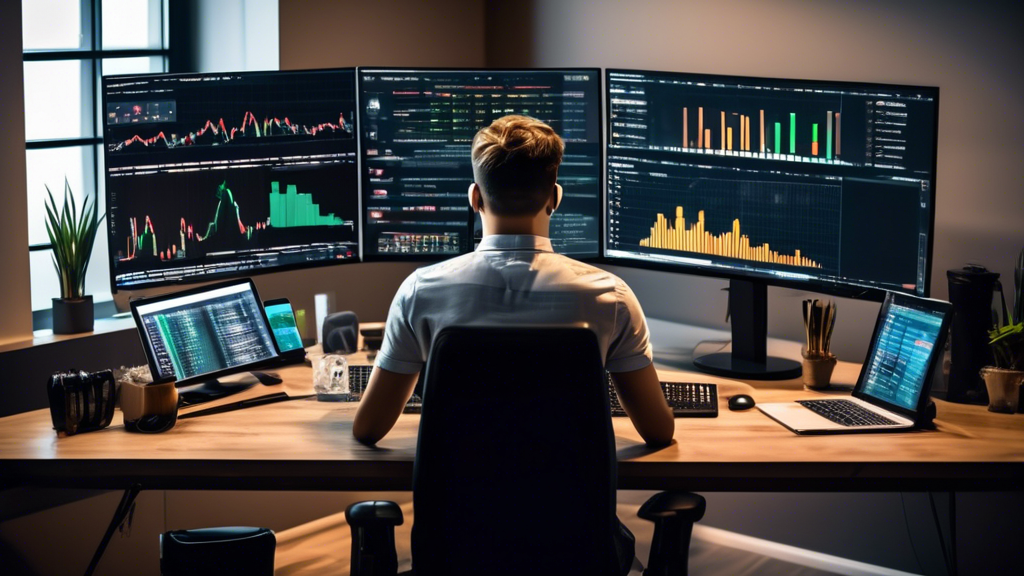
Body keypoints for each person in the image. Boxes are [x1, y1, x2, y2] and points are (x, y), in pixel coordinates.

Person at [352, 114, 672, 574]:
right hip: (575, 558)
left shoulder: (421, 291)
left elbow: (369, 429)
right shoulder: (610, 297)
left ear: (474, 197)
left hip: (454, 556)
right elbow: (658, 432)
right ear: (555, 197)